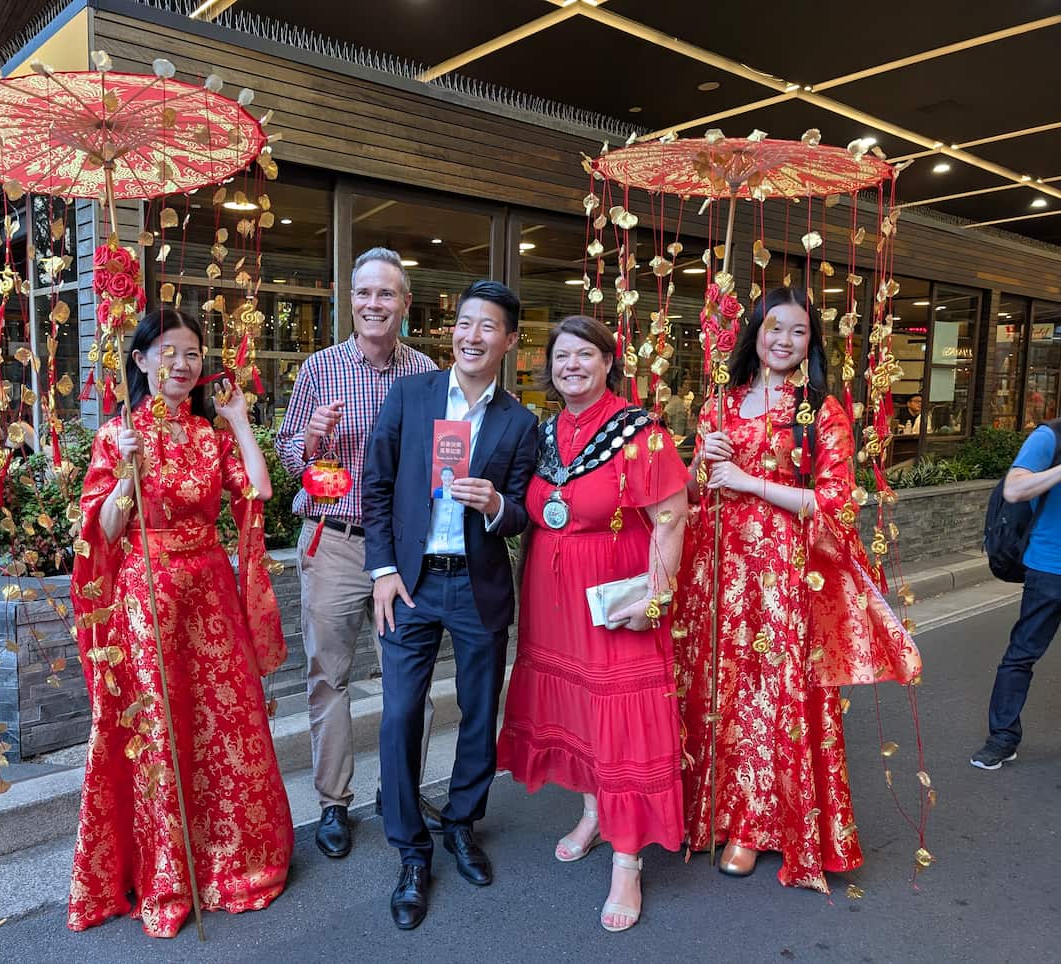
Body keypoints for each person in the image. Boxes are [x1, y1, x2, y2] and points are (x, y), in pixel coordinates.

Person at [674, 287, 921, 892]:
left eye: (798, 332)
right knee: (717, 686)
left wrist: (750, 481)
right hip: (719, 569)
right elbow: (693, 492)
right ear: (753, 331)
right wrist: (703, 463)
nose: (783, 340)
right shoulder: (720, 404)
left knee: (770, 694)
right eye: (773, 327)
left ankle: (757, 827)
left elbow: (835, 501)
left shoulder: (821, 409)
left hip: (783, 572)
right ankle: (708, 809)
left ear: (812, 343)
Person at [67, 308, 291, 938]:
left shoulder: (209, 434)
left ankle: (231, 859)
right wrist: (122, 486)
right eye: (168, 352)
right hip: (148, 593)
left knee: (224, 719)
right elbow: (101, 536)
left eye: (192, 353)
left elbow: (260, 491)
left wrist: (240, 421)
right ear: (138, 361)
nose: (183, 364)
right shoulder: (119, 437)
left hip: (210, 591)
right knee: (161, 723)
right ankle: (166, 869)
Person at [497, 315, 688, 933]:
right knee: (578, 713)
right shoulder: (544, 432)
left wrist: (656, 599)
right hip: (551, 601)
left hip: (613, 599)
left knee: (621, 722)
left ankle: (628, 862)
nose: (571, 365)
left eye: (585, 355)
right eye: (561, 356)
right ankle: (593, 814)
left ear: (609, 361)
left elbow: (671, 517)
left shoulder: (640, 432)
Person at [362, 279, 538, 930]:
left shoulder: (521, 422)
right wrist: (381, 569)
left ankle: (462, 821)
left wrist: (496, 506)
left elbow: (520, 510)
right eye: (464, 323)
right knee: (400, 714)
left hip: (477, 583)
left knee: (476, 711)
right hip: (409, 583)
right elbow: (375, 485)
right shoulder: (411, 395)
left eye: (487, 327)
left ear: (509, 342)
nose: (471, 335)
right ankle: (411, 850)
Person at [277, 247, 441, 861]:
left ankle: (402, 791)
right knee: (329, 676)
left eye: (387, 294)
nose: (375, 304)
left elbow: (437, 460)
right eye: (364, 293)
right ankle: (333, 802)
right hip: (337, 540)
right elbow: (291, 458)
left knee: (410, 678)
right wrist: (313, 436)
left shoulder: (425, 371)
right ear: (351, 300)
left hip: (402, 546)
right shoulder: (320, 369)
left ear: (404, 303)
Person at [971, 420, 1061, 770]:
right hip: (1049, 568)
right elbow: (1014, 489)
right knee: (1022, 654)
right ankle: (1003, 738)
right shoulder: (1050, 437)